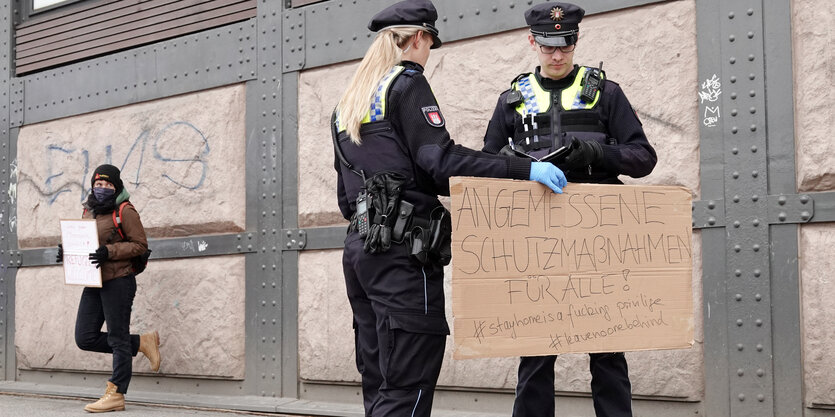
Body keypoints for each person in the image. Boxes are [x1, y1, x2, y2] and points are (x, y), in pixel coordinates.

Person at [331, 1, 567, 415]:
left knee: (380, 380)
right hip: (404, 255)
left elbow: (346, 200)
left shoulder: (348, 103)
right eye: (429, 44)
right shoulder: (406, 84)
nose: (427, 54)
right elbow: (440, 163)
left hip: (361, 252)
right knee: (409, 383)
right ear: (419, 38)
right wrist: (524, 168)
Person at [481, 3, 658, 417]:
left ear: (576, 41)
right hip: (535, 240)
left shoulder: (606, 92)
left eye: (566, 45)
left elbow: (643, 157)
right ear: (532, 43)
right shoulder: (513, 99)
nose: (557, 55)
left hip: (597, 240)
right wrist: (519, 165)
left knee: (608, 350)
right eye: (548, 47)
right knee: (536, 352)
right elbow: (486, 164)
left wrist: (597, 152)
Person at [56, 164, 161, 413]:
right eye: (98, 184)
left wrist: (109, 251)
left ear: (116, 187)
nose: (101, 189)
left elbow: (140, 245)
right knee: (85, 337)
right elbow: (86, 241)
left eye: (107, 185)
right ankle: (141, 343)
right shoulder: (89, 210)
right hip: (94, 281)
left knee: (117, 338)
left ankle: (116, 393)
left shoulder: (125, 210)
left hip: (119, 280)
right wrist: (67, 251)